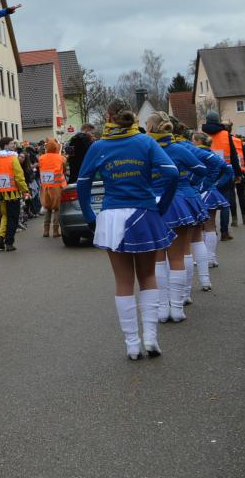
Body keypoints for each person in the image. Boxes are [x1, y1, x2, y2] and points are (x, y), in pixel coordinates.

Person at [77, 99, 178, 360]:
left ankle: (132, 344)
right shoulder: (145, 142)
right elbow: (172, 173)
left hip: (112, 217)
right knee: (147, 277)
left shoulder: (98, 146)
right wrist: (162, 206)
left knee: (123, 281)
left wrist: (90, 216)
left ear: (108, 117)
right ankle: (151, 339)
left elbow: (83, 182)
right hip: (144, 213)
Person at [145, 114, 208, 323]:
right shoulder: (179, 149)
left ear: (152, 127)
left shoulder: (146, 149)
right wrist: (187, 183)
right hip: (178, 203)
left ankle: (163, 310)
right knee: (178, 256)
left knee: (158, 259)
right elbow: (202, 170)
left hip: (153, 206)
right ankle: (178, 307)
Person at [190, 131, 231, 281]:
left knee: (199, 227)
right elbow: (228, 170)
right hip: (210, 192)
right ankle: (211, 258)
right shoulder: (213, 154)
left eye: (192, 140)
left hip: (199, 192)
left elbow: (228, 170)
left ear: (197, 141)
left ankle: (204, 258)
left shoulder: (195, 154)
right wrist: (216, 184)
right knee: (211, 226)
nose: (191, 142)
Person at [38, 139, 67, 238]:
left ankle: (46, 231)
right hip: (57, 187)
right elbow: (64, 166)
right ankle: (55, 231)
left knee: (48, 208)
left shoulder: (41, 158)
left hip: (45, 186)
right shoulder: (60, 158)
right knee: (57, 208)